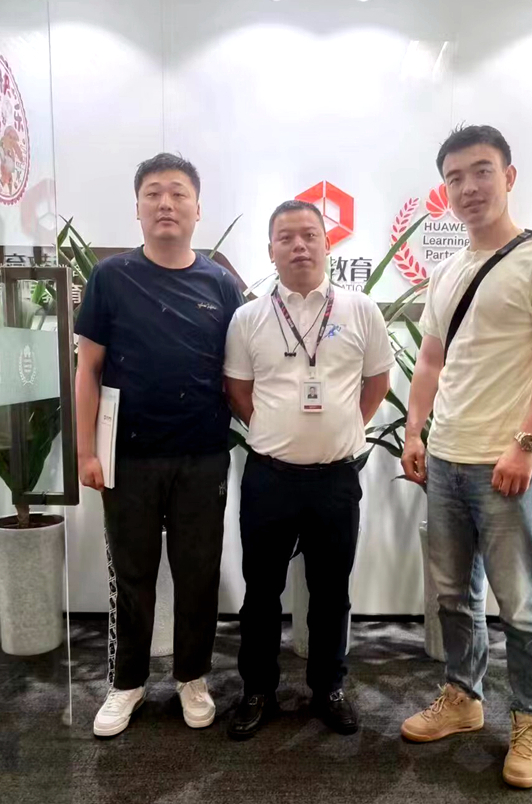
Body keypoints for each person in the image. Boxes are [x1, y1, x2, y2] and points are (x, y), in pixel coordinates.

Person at [399, 126, 532, 788]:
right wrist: (414, 432)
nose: (468, 187)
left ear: (508, 176)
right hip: (446, 460)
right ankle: (464, 697)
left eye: (481, 171)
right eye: (454, 177)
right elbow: (430, 361)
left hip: (509, 462)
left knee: (521, 604)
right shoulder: (447, 270)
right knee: (454, 595)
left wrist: (526, 443)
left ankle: (531, 717)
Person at [75, 152, 244, 737]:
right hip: (129, 457)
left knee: (198, 573)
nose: (165, 203)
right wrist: (86, 453)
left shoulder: (221, 283)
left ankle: (193, 677)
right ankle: (127, 683)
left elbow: (239, 373)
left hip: (203, 456)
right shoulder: (111, 277)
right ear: (138, 208)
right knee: (132, 574)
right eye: (153, 193)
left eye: (177, 193)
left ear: (197, 208)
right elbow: (87, 370)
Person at [223, 200, 393, 739]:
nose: (299, 246)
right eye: (286, 237)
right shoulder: (249, 317)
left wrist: (345, 427)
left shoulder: (360, 309)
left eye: (309, 235)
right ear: (270, 250)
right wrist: (271, 429)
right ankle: (257, 689)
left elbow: (377, 382)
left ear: (327, 243)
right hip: (269, 477)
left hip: (335, 479)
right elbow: (238, 390)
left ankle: (329, 688)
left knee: (331, 591)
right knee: (260, 592)